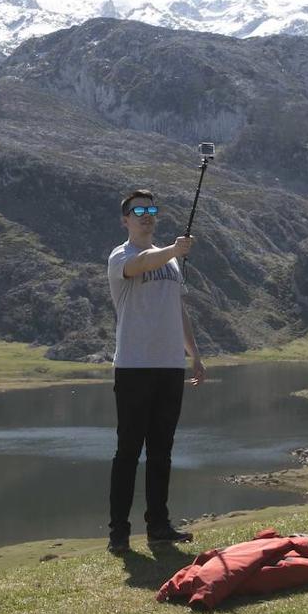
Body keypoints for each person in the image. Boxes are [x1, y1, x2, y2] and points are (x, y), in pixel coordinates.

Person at [106, 189, 206, 554]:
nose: (146, 215)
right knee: (128, 451)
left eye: (151, 210)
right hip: (134, 366)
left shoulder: (172, 262)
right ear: (126, 220)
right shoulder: (122, 256)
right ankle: (119, 532)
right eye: (138, 211)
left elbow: (177, 310)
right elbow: (141, 265)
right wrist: (174, 250)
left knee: (162, 450)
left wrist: (193, 353)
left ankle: (159, 527)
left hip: (169, 367)